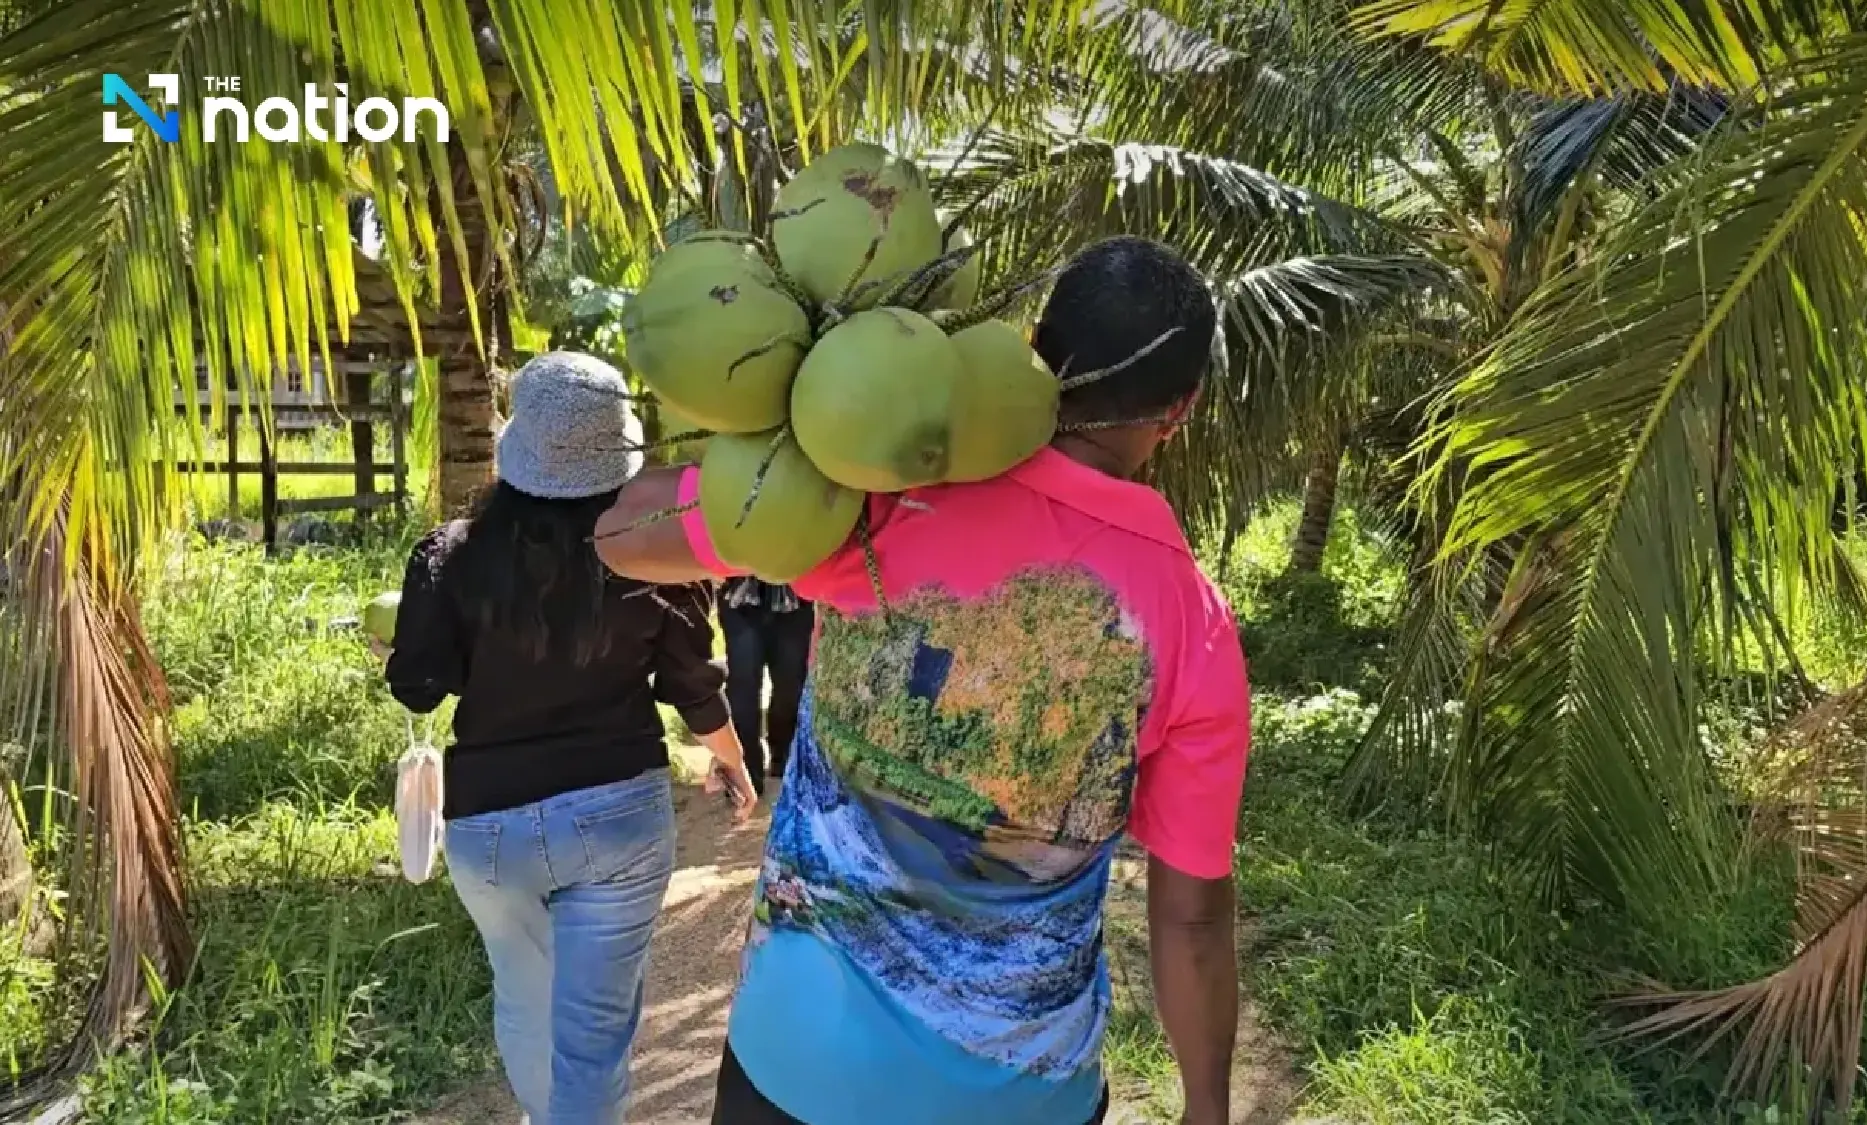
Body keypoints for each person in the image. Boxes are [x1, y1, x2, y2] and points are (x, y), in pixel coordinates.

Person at [595, 237, 1250, 1125]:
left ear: (1036, 348)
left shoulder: (892, 494)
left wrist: (809, 443)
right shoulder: (1194, 622)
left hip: (799, 1067)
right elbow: (1193, 923)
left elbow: (622, 533)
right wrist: (1207, 1109)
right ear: (1183, 409)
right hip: (1023, 1096)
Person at [381, 351, 759, 1125]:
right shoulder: (651, 556)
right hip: (615, 815)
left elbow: (416, 683)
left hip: (489, 826)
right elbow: (691, 683)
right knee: (592, 1037)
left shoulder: (449, 554)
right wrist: (731, 758)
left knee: (524, 1000)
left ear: (519, 448)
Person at [716, 578, 813, 795]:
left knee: (791, 687)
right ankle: (745, 772)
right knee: (743, 689)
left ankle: (785, 758)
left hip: (796, 597)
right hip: (739, 598)